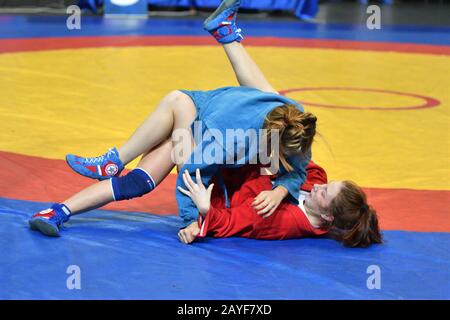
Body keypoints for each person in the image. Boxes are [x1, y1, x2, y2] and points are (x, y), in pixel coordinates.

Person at [29, 0, 317, 236]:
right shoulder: (231, 137)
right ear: (270, 141)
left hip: (229, 122)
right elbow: (190, 175)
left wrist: (281, 189)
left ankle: (57, 211)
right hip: (201, 114)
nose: (320, 188)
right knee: (179, 103)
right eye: (278, 157)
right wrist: (191, 221)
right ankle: (114, 160)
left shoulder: (296, 126)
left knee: (138, 183)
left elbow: (298, 171)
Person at [177, 164, 383, 248]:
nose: (320, 185)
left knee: (177, 135)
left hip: (218, 185)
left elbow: (231, 222)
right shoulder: (314, 182)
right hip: (237, 163)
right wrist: (281, 189)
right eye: (328, 185)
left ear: (328, 217)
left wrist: (205, 211)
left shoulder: (281, 219)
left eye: (324, 192)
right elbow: (300, 157)